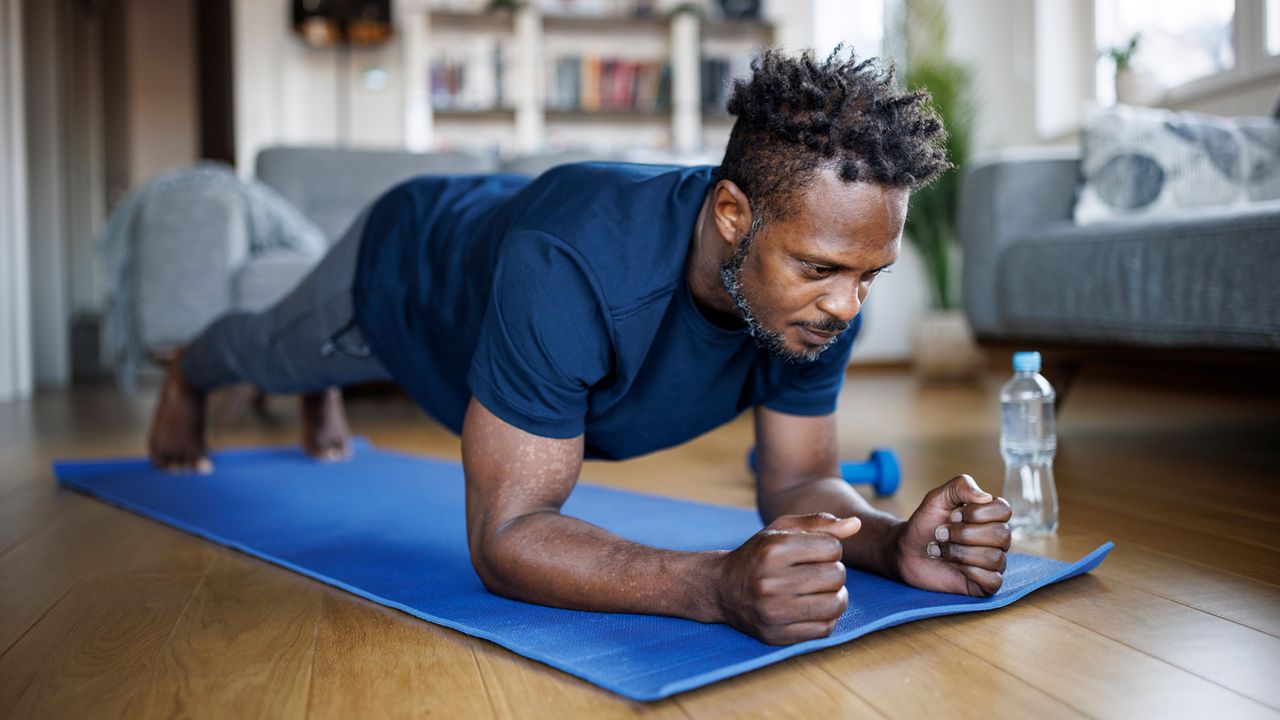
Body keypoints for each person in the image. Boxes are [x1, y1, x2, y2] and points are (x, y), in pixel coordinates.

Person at [148, 46, 1012, 646]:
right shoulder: (572, 266)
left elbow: (794, 482)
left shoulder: (814, 285)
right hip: (408, 270)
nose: (848, 304)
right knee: (272, 351)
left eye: (872, 275)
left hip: (504, 250)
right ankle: (188, 371)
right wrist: (713, 584)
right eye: (825, 268)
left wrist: (888, 542)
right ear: (733, 216)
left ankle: (318, 395)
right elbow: (508, 534)